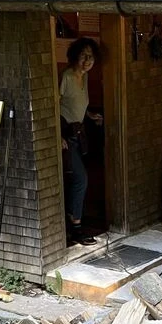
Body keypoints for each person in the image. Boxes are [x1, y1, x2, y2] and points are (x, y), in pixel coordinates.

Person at [60, 37, 104, 246]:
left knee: (79, 179)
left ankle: (73, 224)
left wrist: (90, 115)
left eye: (91, 57)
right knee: (80, 179)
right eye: (84, 56)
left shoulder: (84, 77)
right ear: (75, 56)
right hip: (66, 135)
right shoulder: (66, 76)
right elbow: (54, 104)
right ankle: (75, 227)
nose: (88, 60)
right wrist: (57, 134)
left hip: (79, 133)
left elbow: (77, 104)